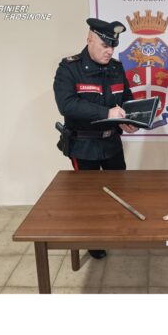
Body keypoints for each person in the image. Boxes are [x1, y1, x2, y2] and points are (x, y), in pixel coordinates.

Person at [53, 17, 139, 259]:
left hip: (112, 143)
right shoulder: (69, 68)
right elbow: (67, 104)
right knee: (88, 198)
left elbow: (126, 99)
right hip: (83, 145)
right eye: (104, 45)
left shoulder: (116, 68)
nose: (109, 51)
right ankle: (93, 239)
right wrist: (106, 113)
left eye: (113, 46)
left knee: (118, 189)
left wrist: (130, 119)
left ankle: (114, 230)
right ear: (89, 39)